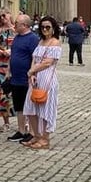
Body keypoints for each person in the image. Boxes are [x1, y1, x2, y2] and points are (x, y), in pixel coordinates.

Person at [23, 16, 62, 150]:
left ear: (53, 28)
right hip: (35, 78)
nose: (45, 29)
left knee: (45, 109)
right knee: (30, 107)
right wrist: (32, 73)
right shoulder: (41, 42)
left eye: (48, 27)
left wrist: (31, 71)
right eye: (43, 27)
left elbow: (48, 62)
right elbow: (35, 58)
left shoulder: (55, 42)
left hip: (47, 78)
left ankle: (45, 138)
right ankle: (37, 135)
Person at [6, 14, 39, 144]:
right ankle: (21, 130)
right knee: (19, 106)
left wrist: (32, 74)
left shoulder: (32, 39)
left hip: (26, 78)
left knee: (29, 107)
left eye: (17, 23)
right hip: (15, 77)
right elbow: (13, 55)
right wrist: (9, 71)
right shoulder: (17, 38)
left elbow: (35, 57)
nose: (14, 25)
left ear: (25, 25)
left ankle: (31, 131)